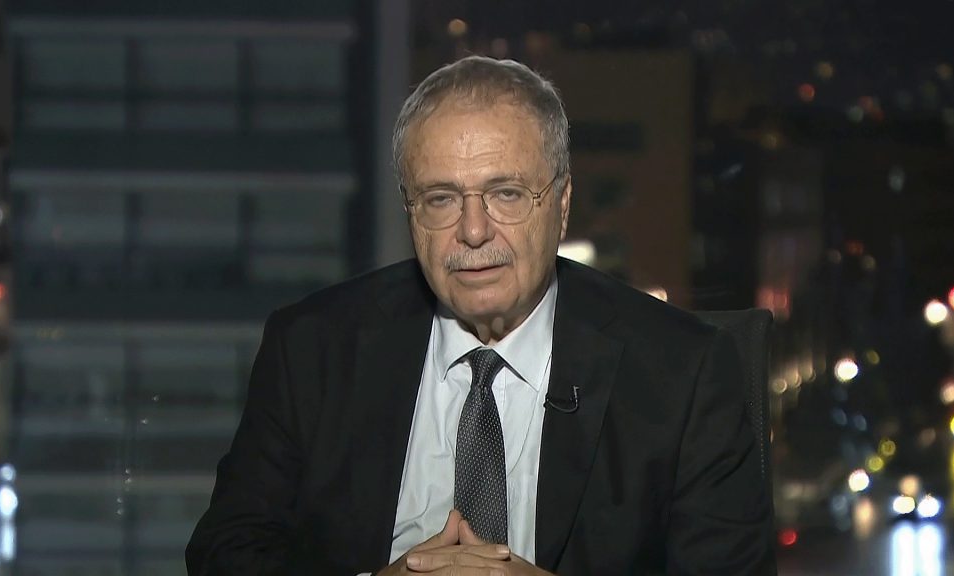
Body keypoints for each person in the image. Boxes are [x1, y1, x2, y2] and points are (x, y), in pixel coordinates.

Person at [186, 55, 776, 575]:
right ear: (410, 212)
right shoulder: (312, 347)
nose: (473, 231)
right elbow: (225, 552)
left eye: (506, 194)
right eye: (441, 198)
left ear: (562, 204)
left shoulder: (683, 371)